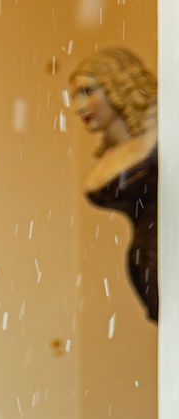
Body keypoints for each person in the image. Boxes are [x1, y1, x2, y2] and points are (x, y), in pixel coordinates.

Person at [70, 46, 159, 320]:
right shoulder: (112, 157)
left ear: (117, 85)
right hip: (146, 260)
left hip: (165, 252)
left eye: (88, 92)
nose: (78, 107)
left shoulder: (157, 140)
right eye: (75, 96)